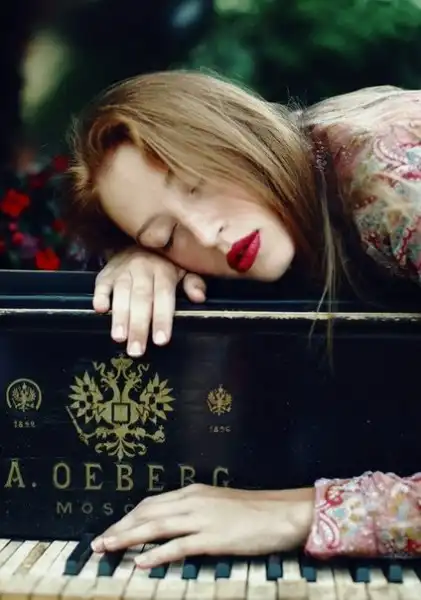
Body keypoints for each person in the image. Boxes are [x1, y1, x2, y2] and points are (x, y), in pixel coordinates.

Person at [65, 70, 421, 567]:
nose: (205, 234)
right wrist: (140, 260)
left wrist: (299, 513)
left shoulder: (392, 180)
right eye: (167, 235)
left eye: (198, 185)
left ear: (234, 136)